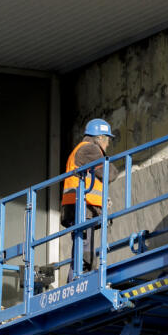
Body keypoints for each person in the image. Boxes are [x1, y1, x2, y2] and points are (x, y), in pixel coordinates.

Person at [61, 118, 113, 278]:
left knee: (82, 249)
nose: (108, 144)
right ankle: (78, 283)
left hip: (80, 206)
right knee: (84, 253)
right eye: (108, 140)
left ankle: (77, 280)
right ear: (100, 138)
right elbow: (110, 173)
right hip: (81, 206)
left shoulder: (82, 148)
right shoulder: (90, 149)